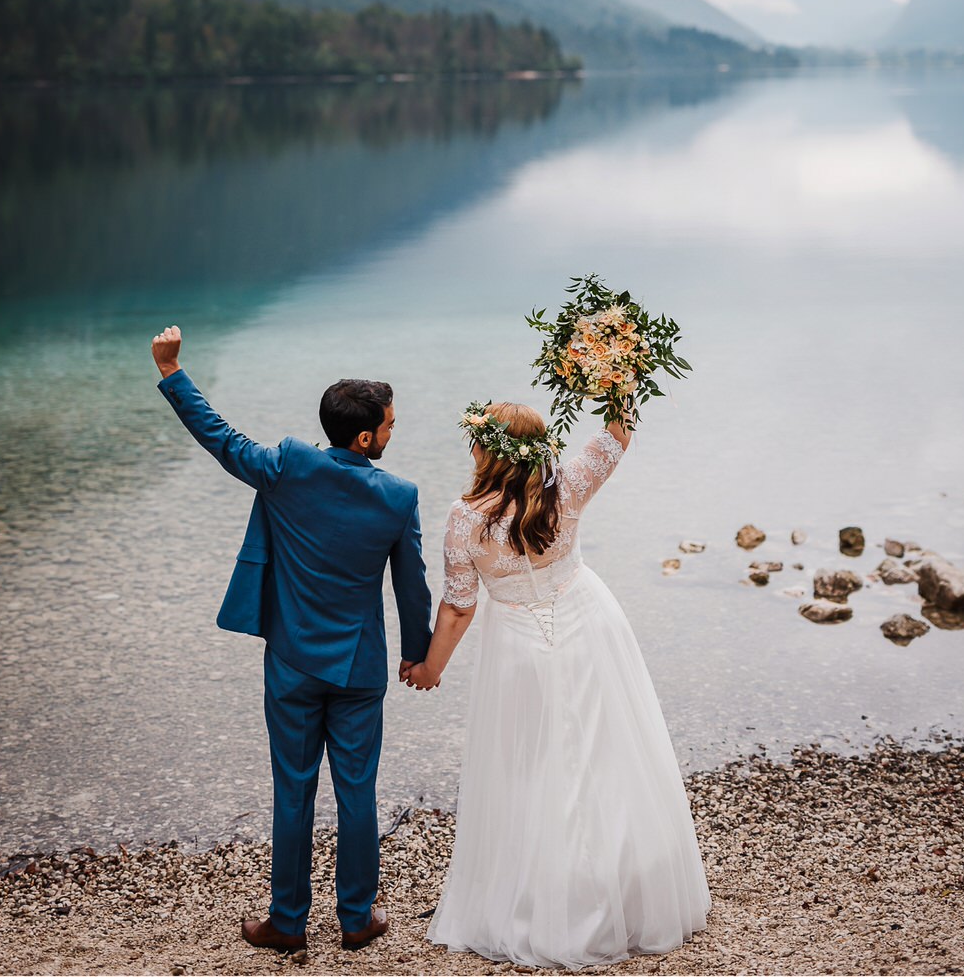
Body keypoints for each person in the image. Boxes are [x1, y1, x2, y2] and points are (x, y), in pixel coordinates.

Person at [150, 325, 432, 957]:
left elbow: (220, 439)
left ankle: (287, 923)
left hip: (294, 664)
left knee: (293, 790)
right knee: (357, 794)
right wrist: (419, 651)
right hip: (359, 668)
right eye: (389, 424)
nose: (392, 432)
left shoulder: (287, 467)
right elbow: (411, 587)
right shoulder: (398, 496)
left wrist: (173, 374)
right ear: (364, 437)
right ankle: (357, 920)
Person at [405, 400, 711, 968]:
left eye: (474, 438)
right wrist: (617, 376)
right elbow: (618, 435)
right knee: (605, 755)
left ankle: (544, 902)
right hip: (590, 624)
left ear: (489, 451)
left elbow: (457, 610)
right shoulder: (566, 487)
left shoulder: (466, 517)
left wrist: (429, 668)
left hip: (519, 648)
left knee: (530, 767)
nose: (468, 447)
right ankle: (627, 890)